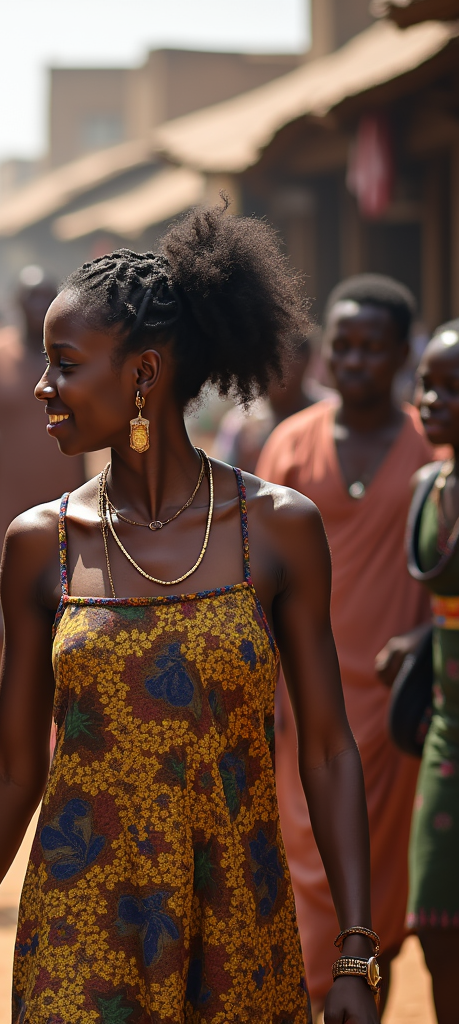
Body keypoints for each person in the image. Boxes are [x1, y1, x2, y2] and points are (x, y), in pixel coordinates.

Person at [0, 207, 380, 1024]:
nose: (42, 385)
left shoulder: (276, 528)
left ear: (142, 376)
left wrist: (355, 950)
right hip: (81, 933)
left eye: (64, 364)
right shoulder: (43, 544)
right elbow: (10, 767)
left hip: (237, 929)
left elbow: (324, 746)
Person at [255, 273, 431, 1012]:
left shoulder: (433, 449)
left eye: (373, 348)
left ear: (402, 356)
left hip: (395, 711)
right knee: (304, 871)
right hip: (305, 700)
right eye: (344, 346)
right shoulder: (292, 444)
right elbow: (253, 573)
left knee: (382, 883)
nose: (355, 361)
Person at [390, 319, 459, 1024]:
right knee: (436, 922)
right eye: (427, 386)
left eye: (452, 390)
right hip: (448, 727)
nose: (432, 402)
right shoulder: (429, 486)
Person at [0, 266, 86, 597]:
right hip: (5, 506)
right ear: (15, 302)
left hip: (66, 504)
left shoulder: (76, 360)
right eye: (30, 296)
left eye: (46, 297)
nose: (38, 305)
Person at [212, 331, 326, 472]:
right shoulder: (241, 426)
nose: (267, 370)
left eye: (276, 359)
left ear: (304, 360)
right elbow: (224, 481)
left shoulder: (330, 415)